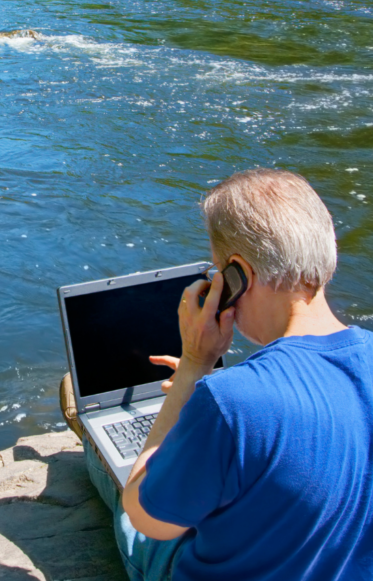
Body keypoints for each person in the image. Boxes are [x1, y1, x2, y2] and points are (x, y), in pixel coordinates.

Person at [61, 168, 373, 581]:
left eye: (216, 270)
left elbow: (147, 519)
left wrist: (194, 364)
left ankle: (93, 439)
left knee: (124, 487)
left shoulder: (232, 399)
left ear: (238, 275)